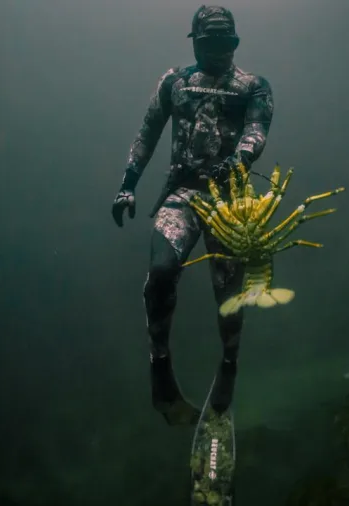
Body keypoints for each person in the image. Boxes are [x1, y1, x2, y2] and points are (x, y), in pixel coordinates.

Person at [111, 5, 274, 425]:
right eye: (211, 43)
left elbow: (257, 131)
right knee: (161, 271)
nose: (219, 52)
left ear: (234, 43)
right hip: (183, 194)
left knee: (229, 294)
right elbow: (149, 131)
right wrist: (128, 183)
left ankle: (229, 364)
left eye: (225, 43)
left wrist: (236, 162)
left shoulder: (252, 86)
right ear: (197, 43)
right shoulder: (176, 82)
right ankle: (160, 362)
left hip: (231, 200)